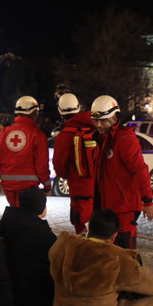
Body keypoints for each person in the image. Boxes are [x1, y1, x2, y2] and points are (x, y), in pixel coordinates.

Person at [89, 95, 153, 249]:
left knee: (126, 256)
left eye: (103, 120)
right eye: (95, 121)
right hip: (107, 208)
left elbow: (140, 169)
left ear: (113, 118)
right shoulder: (102, 139)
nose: (98, 125)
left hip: (124, 209)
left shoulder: (124, 139)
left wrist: (147, 200)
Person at [0, 186, 56, 306]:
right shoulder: (42, 234)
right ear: (41, 207)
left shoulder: (12, 223)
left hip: (11, 288)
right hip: (31, 294)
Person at [0, 96, 51, 207]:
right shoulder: (37, 135)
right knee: (26, 217)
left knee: (15, 214)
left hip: (9, 187)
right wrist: (47, 186)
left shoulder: (4, 133)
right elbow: (42, 165)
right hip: (29, 188)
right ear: (34, 112)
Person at [51, 93, 98, 233]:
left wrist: (71, 175)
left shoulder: (64, 136)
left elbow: (59, 166)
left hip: (79, 189)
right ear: (79, 107)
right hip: (100, 186)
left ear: (60, 111)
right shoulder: (97, 127)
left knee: (80, 225)